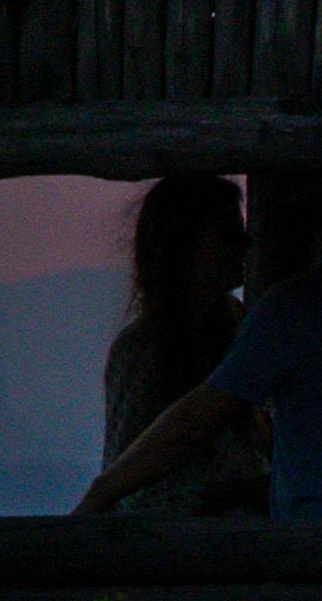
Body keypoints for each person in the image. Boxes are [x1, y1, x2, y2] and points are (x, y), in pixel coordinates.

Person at [78, 170, 322, 519]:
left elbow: (195, 422)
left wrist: (101, 492)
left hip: (301, 561)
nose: (247, 244)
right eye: (227, 234)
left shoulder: (294, 311)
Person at [97, 171, 270, 519]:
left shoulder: (240, 330)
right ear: (184, 245)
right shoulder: (144, 351)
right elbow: (132, 494)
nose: (244, 244)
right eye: (227, 234)